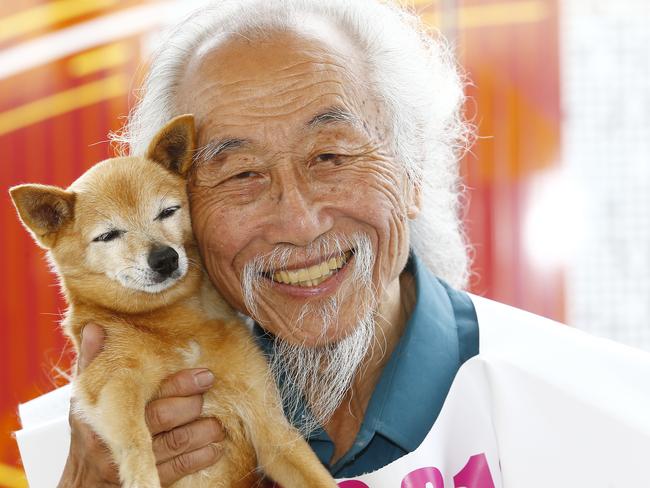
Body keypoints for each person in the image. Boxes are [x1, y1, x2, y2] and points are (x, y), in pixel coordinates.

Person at [56, 0, 479, 485]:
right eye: (242, 174)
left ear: (412, 173)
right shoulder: (92, 443)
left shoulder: (554, 401)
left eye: (330, 155)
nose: (299, 224)